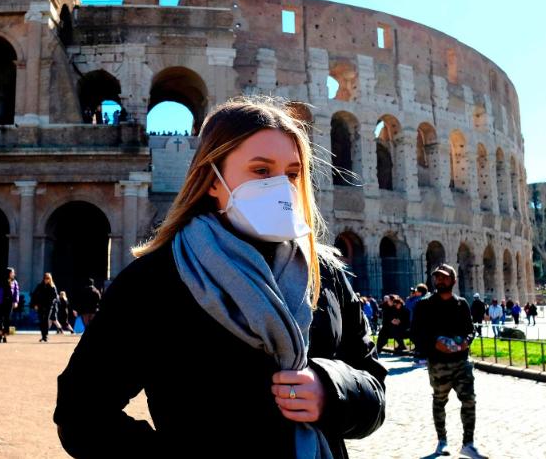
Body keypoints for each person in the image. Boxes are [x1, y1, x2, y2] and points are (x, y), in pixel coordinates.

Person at [55, 97, 386, 458]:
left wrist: (332, 388)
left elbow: (372, 383)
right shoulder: (154, 281)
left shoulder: (325, 273)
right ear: (212, 180)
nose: (281, 187)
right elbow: (81, 412)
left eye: (291, 174)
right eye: (261, 171)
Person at [411, 264, 485, 459]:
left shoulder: (462, 304)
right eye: (437, 277)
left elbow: (471, 330)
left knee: (469, 400)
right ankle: (442, 441)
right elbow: (416, 333)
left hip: (462, 361)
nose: (440, 280)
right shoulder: (425, 305)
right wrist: (434, 343)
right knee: (439, 401)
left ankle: (468, 444)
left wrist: (465, 343)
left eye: (444, 277)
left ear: (453, 280)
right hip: (438, 363)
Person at [0, 268, 19, 343]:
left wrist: (15, 301)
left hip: (9, 303)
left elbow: (16, 292)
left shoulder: (14, 282)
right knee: (0, 319)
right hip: (0, 302)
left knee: (7, 319)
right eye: (12, 273)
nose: (14, 274)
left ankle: (5, 336)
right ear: (8, 273)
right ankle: (0, 335)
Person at [31, 273, 58, 342]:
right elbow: (34, 295)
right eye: (45, 278)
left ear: (50, 279)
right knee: (41, 320)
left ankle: (45, 336)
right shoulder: (39, 286)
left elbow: (55, 297)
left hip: (48, 306)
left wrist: (51, 303)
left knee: (46, 320)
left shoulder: (52, 287)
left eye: (48, 278)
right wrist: (35, 304)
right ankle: (43, 335)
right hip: (40, 305)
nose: (46, 280)